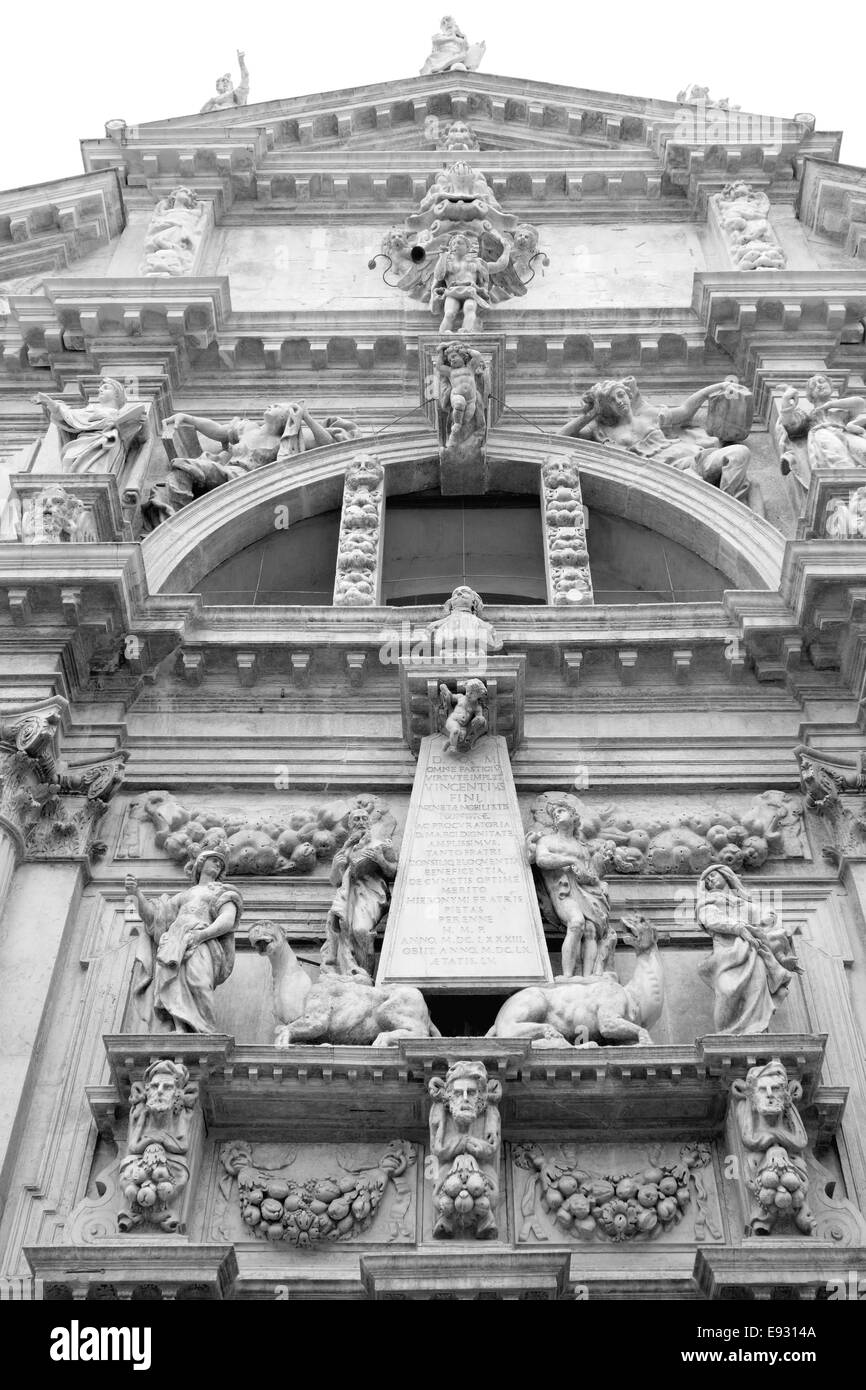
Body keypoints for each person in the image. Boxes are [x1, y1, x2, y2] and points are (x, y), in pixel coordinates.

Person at [560, 376, 751, 499]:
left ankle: (730, 506)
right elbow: (561, 439)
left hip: (696, 458)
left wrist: (718, 386)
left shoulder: (649, 415)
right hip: (669, 474)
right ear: (605, 407)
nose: (619, 401)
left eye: (620, 395)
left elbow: (685, 411)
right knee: (698, 490)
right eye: (611, 400)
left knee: (739, 453)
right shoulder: (603, 433)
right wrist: (591, 413)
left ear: (627, 395)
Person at [127, 848, 242, 1033]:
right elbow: (155, 919)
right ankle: (179, 1028)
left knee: (198, 981)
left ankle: (204, 1031)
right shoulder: (183, 896)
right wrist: (136, 894)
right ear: (200, 864)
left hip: (202, 940)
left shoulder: (222, 891)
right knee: (172, 984)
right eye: (213, 860)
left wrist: (201, 935)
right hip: (175, 942)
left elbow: (227, 920)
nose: (218, 864)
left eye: (220, 864)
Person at [695, 863, 800, 1033]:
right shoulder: (707, 902)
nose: (709, 880)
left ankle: (757, 1034)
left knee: (756, 991)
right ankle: (725, 1036)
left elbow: (767, 926)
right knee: (726, 990)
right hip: (726, 956)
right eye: (706, 880)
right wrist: (739, 928)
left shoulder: (744, 903)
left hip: (752, 953)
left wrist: (781, 957)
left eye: (713, 875)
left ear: (726, 875)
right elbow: (711, 919)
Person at [529, 802, 610, 977]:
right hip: (562, 892)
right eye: (554, 814)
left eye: (561, 811)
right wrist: (571, 861)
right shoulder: (546, 840)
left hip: (586, 892)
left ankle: (588, 977)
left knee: (591, 930)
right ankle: (567, 976)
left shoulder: (581, 846)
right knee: (576, 922)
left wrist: (601, 863)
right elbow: (542, 859)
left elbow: (591, 873)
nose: (556, 815)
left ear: (573, 816)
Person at [322, 807, 397, 977]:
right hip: (349, 895)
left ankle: (366, 976)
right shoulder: (345, 851)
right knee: (344, 930)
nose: (361, 822)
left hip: (372, 894)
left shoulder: (380, 845)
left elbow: (393, 871)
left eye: (364, 818)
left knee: (362, 930)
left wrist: (380, 859)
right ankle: (351, 971)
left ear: (369, 822)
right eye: (356, 819)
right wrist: (336, 867)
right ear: (350, 825)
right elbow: (335, 881)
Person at [33, 379, 145, 476]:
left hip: (105, 442)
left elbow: (134, 440)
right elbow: (68, 416)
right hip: (84, 441)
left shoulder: (121, 415)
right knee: (69, 457)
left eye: (106, 388)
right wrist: (50, 403)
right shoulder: (90, 410)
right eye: (100, 388)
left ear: (117, 394)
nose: (100, 390)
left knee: (96, 465)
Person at [777, 373, 866, 491]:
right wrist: (786, 399)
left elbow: (859, 402)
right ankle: (852, 494)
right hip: (823, 435)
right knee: (842, 465)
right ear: (811, 396)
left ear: (830, 385)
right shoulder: (808, 415)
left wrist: (830, 404)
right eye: (814, 385)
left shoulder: (842, 409)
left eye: (821, 381)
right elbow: (788, 423)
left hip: (846, 433)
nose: (818, 385)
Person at [420, 17, 485, 76]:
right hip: (442, 55)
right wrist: (452, 38)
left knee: (462, 57)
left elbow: (466, 48)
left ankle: (446, 68)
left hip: (456, 56)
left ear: (456, 28)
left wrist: (475, 47)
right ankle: (441, 69)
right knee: (431, 59)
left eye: (451, 27)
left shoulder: (460, 39)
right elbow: (436, 41)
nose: (449, 29)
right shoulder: (439, 36)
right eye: (447, 27)